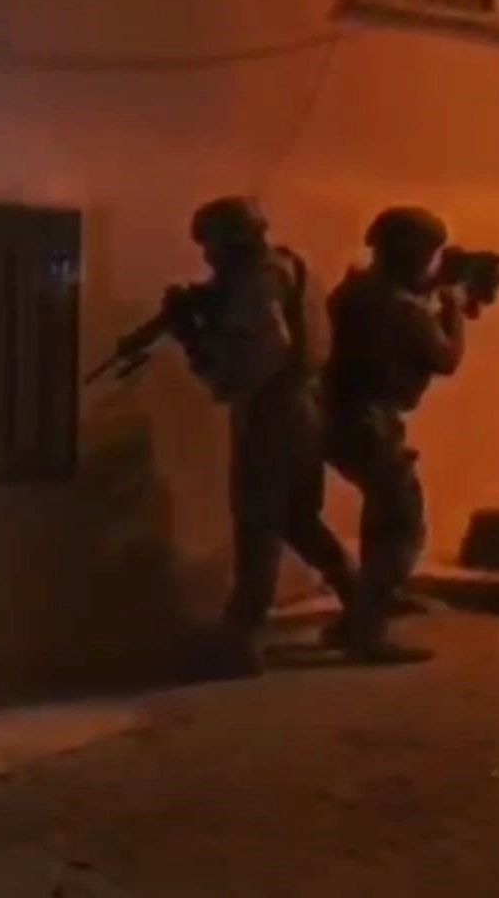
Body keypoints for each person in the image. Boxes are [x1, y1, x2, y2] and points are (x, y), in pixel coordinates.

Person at [179, 197, 358, 678]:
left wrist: (197, 342)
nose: (208, 256)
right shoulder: (288, 267)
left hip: (271, 412)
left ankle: (242, 639)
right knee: (298, 519)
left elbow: (257, 358)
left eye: (212, 244)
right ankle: (362, 601)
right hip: (304, 410)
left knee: (257, 525)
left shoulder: (257, 283)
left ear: (234, 239)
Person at [321, 208, 471, 663]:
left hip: (338, 418)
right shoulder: (401, 308)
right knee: (402, 524)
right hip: (369, 421)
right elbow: (446, 358)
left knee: (382, 518)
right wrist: (454, 309)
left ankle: (362, 612)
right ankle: (366, 629)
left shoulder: (355, 291)